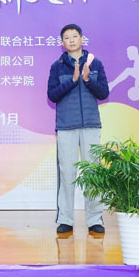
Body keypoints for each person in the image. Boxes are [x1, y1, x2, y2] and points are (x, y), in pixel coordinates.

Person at [47, 24, 110, 234]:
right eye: (67, 37)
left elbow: (103, 93)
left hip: (91, 124)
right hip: (66, 125)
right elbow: (52, 95)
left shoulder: (95, 63)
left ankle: (95, 219)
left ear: (82, 39)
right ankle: (65, 218)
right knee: (67, 172)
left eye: (75, 36)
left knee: (93, 172)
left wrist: (87, 79)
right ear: (62, 43)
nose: (72, 40)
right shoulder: (57, 66)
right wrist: (73, 80)